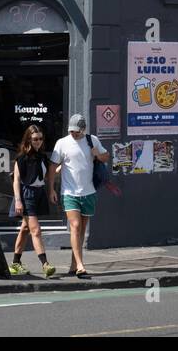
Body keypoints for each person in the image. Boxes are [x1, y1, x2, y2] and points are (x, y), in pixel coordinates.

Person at [49, 114, 109, 278]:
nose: (73, 134)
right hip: (69, 193)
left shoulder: (92, 140)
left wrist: (97, 154)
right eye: (71, 131)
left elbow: (106, 157)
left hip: (88, 192)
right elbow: (53, 166)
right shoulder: (62, 143)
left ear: (83, 130)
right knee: (75, 226)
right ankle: (81, 265)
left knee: (81, 231)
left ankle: (73, 265)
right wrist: (52, 189)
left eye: (76, 131)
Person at [10, 124, 55, 278]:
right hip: (27, 194)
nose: (38, 142)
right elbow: (16, 180)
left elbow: (49, 174)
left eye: (41, 139)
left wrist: (51, 190)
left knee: (25, 229)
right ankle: (45, 264)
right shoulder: (21, 158)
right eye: (35, 139)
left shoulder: (42, 157)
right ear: (28, 139)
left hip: (39, 193)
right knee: (36, 230)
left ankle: (15, 263)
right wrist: (18, 201)